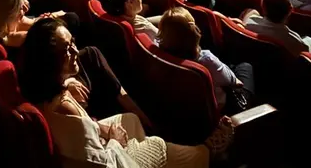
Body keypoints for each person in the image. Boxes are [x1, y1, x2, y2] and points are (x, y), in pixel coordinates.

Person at [18, 17, 232, 168]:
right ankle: (205, 153)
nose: (75, 51)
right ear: (48, 61)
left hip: (98, 147)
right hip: (110, 158)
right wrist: (114, 141)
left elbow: (81, 133)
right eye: (66, 49)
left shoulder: (47, 88)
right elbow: (103, 165)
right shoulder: (63, 107)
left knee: (129, 119)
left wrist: (98, 127)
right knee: (157, 145)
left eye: (73, 43)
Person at [157, 7, 254, 113]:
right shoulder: (206, 60)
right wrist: (235, 81)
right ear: (193, 31)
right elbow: (232, 81)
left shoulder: (159, 54)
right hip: (223, 108)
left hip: (191, 109)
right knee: (245, 66)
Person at [242, 0, 311, 55]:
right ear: (290, 11)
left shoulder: (249, 23)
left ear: (263, 6)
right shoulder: (294, 41)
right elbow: (304, 54)